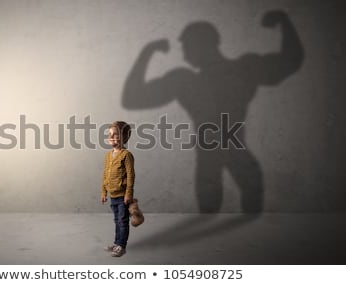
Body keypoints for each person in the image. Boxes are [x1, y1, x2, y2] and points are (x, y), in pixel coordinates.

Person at [122, 10, 304, 213]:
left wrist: (148, 52)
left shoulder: (201, 78)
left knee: (235, 205)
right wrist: (147, 51)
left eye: (187, 46)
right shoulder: (227, 73)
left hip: (218, 157)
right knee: (234, 202)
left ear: (203, 44)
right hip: (226, 156)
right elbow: (132, 99)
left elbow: (289, 62)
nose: (183, 53)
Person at [101, 121, 135, 257]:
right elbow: (105, 174)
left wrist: (128, 194)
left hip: (122, 196)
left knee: (122, 221)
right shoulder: (108, 155)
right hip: (112, 195)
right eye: (110, 134)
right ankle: (116, 243)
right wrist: (103, 192)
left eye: (116, 134)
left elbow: (131, 175)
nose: (111, 136)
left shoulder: (126, 155)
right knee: (116, 220)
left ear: (125, 137)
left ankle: (122, 245)